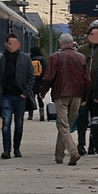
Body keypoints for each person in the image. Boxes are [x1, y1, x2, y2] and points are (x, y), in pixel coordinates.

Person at [0, 33, 36, 159]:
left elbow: (31, 77)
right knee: (6, 124)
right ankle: (7, 150)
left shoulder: (25, 59)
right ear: (6, 44)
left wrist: (25, 93)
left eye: (15, 43)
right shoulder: (1, 61)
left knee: (19, 125)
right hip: (6, 96)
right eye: (10, 43)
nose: (13, 46)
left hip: (20, 97)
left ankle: (16, 148)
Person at [39, 32, 91, 165]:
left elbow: (49, 77)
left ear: (60, 43)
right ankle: (59, 155)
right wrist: (84, 96)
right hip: (77, 95)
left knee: (63, 126)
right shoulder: (81, 57)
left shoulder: (55, 57)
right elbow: (87, 79)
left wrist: (43, 92)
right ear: (73, 43)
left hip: (61, 94)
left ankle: (73, 152)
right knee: (66, 126)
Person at [76, 25, 98, 155]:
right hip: (83, 92)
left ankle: (94, 144)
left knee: (96, 119)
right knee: (82, 119)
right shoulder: (80, 51)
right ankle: (81, 144)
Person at [28, 46, 46, 119]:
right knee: (40, 99)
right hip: (40, 82)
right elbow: (46, 70)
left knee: (31, 99)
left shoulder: (29, 59)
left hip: (31, 82)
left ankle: (30, 115)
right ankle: (41, 115)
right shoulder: (42, 59)